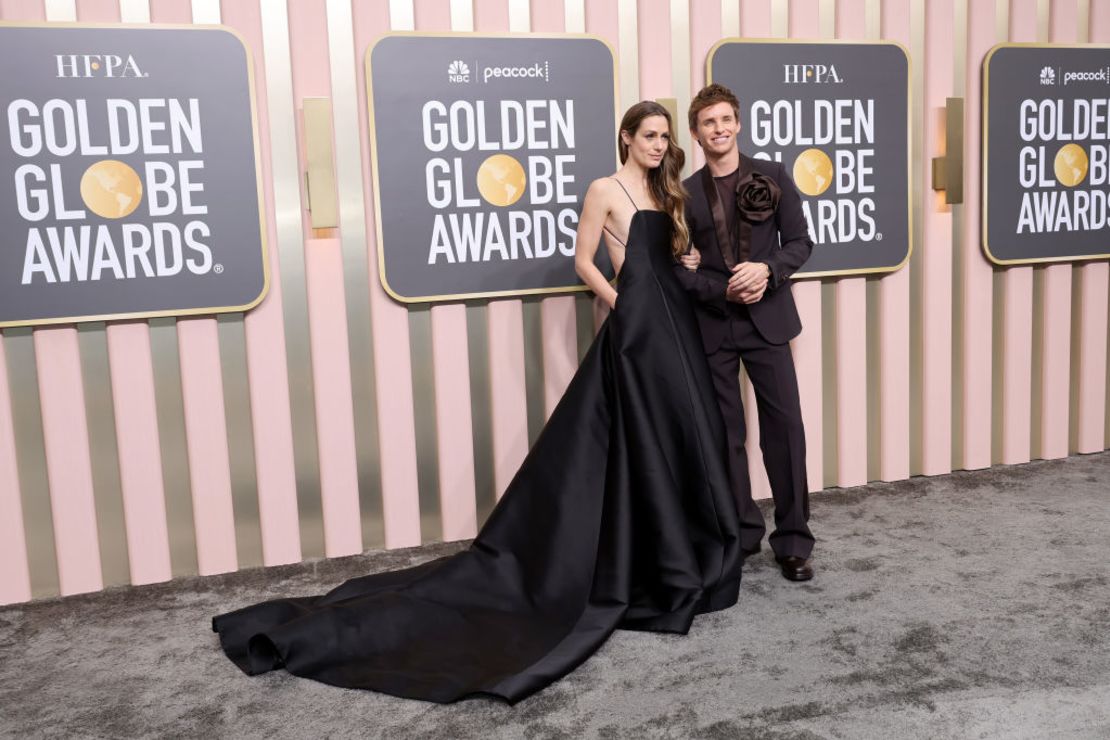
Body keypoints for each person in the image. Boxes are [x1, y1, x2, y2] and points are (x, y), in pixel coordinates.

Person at [211, 101, 743, 705]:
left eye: (664, 137)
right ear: (625, 137)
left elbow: (676, 254)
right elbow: (581, 258)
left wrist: (689, 258)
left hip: (675, 320)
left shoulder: (665, 187)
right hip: (637, 324)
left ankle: (679, 545)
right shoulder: (605, 188)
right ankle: (646, 558)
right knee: (636, 439)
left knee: (681, 431)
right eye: (649, 135)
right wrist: (618, 301)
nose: (658, 144)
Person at [673, 83, 816, 582]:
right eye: (708, 123)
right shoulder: (684, 193)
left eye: (725, 120)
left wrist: (768, 271)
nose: (719, 129)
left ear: (737, 123)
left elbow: (800, 242)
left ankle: (794, 540)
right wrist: (721, 290)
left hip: (769, 323)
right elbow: (682, 271)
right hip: (713, 328)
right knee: (725, 436)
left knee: (786, 430)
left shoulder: (773, 174)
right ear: (696, 132)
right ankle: (741, 532)